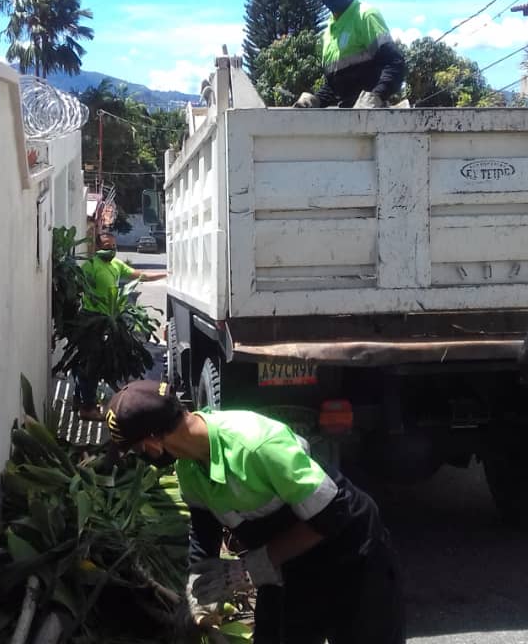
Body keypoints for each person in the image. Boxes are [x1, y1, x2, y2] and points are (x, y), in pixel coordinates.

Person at [104, 380, 405, 643]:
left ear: (153, 443)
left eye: (137, 450)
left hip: (351, 552)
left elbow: (332, 515)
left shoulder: (256, 445)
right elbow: (203, 531)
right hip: (287, 563)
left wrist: (247, 570)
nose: (142, 457)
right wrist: (197, 590)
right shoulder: (189, 468)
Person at [74, 233, 166, 421]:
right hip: (92, 321)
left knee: (91, 362)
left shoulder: (116, 265)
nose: (112, 249)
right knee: (90, 363)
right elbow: (77, 288)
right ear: (97, 247)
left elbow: (141, 276)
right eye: (108, 246)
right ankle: (87, 407)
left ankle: (81, 400)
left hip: (109, 320)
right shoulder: (90, 267)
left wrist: (166, 274)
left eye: (114, 246)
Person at [292, 0, 406, 109]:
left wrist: (376, 97)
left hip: (373, 118)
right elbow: (335, 86)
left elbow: (395, 63)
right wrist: (315, 100)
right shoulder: (328, 33)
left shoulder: (365, 15)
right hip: (347, 117)